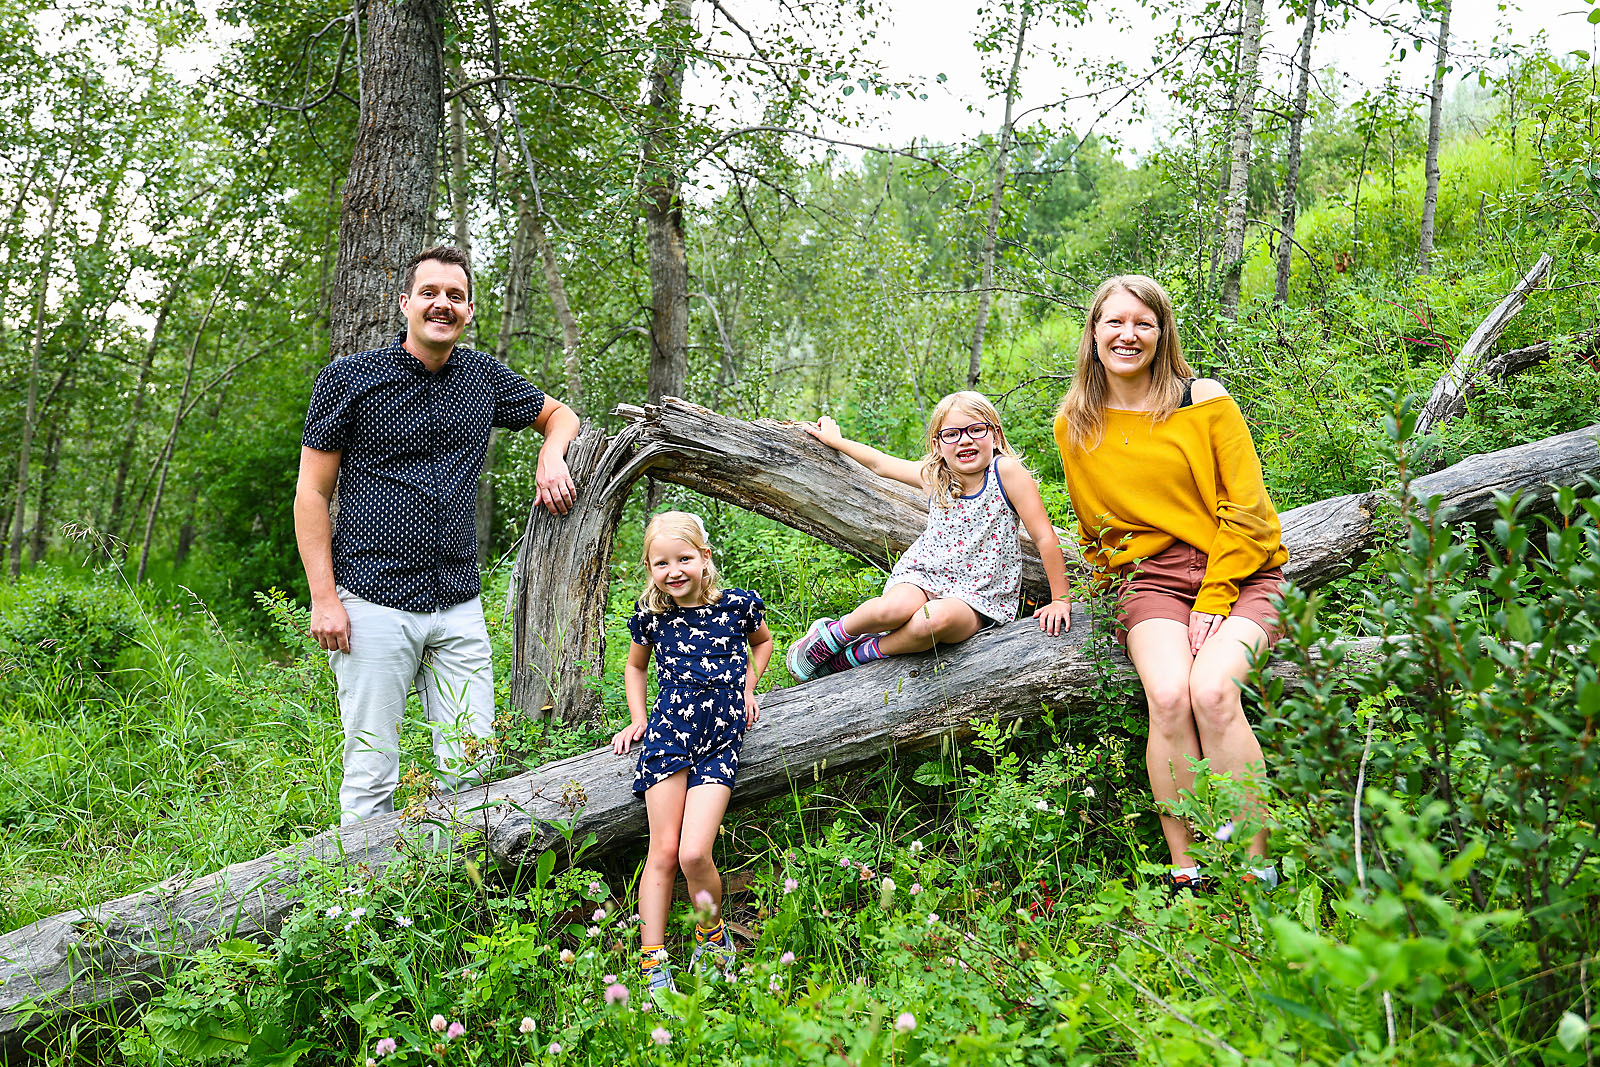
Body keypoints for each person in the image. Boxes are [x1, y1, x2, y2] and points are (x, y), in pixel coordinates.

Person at [295, 245, 581, 826]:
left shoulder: (481, 378)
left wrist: (551, 454)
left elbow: (562, 415)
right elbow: (312, 494)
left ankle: (452, 896)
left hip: (458, 601)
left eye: (455, 296)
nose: (441, 305)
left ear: (469, 311)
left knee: (471, 766)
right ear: (405, 303)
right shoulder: (348, 380)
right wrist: (325, 599)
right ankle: (361, 903)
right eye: (429, 293)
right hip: (371, 597)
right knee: (371, 767)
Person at [1053, 274, 1286, 893]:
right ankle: (1190, 868)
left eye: (1143, 324)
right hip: (1150, 580)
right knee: (1168, 695)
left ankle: (1258, 863)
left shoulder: (1199, 399)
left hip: (1240, 571)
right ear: (1094, 334)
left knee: (1212, 692)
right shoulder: (1075, 423)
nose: (1128, 335)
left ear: (1161, 333)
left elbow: (1252, 509)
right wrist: (1103, 592)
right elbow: (1095, 522)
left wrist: (1214, 595)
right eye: (1115, 323)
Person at [785, 391, 1073, 682]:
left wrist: (1061, 599)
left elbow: (1044, 537)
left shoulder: (1005, 472)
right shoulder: (937, 474)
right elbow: (880, 464)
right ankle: (831, 635)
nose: (965, 440)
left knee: (931, 623)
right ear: (937, 444)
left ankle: (857, 655)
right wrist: (836, 441)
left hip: (979, 596)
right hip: (924, 575)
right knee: (892, 609)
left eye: (976, 429)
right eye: (952, 434)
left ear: (995, 436)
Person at [611, 512, 773, 997]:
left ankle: (711, 935)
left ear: (705, 558)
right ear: (649, 569)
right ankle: (652, 965)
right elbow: (635, 668)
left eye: (684, 558)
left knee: (694, 851)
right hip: (669, 736)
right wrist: (638, 717)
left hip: (722, 740)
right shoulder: (652, 618)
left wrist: (749, 686)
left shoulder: (740, 606)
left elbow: (761, 645)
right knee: (662, 851)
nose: (673, 570)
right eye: (660, 563)